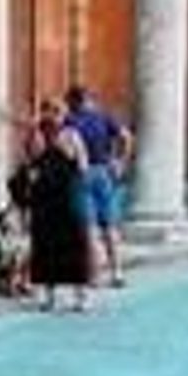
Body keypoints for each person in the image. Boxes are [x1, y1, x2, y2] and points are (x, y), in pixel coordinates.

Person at [21, 108, 95, 312]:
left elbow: (83, 167)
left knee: (74, 248)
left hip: (67, 201)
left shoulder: (71, 137)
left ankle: (80, 297)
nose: (51, 120)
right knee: (46, 249)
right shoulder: (38, 140)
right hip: (45, 204)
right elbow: (29, 166)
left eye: (55, 115)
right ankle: (49, 297)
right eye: (48, 116)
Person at [62, 85, 133, 287]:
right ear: (90, 99)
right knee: (110, 226)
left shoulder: (71, 120)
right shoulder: (104, 117)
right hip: (105, 173)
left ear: (74, 101)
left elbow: (68, 150)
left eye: (69, 103)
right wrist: (120, 162)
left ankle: (95, 275)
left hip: (81, 175)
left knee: (90, 228)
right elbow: (126, 136)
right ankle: (117, 272)